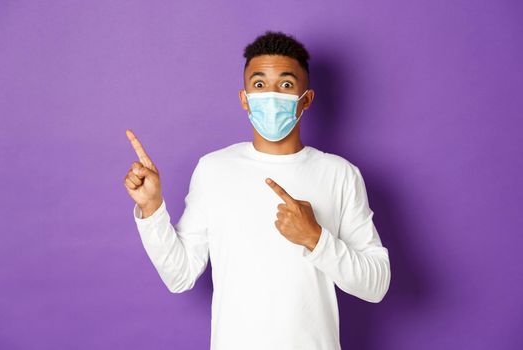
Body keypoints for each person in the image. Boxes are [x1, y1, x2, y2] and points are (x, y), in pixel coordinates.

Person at [123, 30, 391, 350]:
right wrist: (152, 209)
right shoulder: (214, 169)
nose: (271, 95)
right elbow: (179, 276)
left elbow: (376, 285)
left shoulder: (340, 174)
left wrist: (315, 238)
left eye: (287, 85)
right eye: (260, 84)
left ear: (306, 99)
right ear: (244, 98)